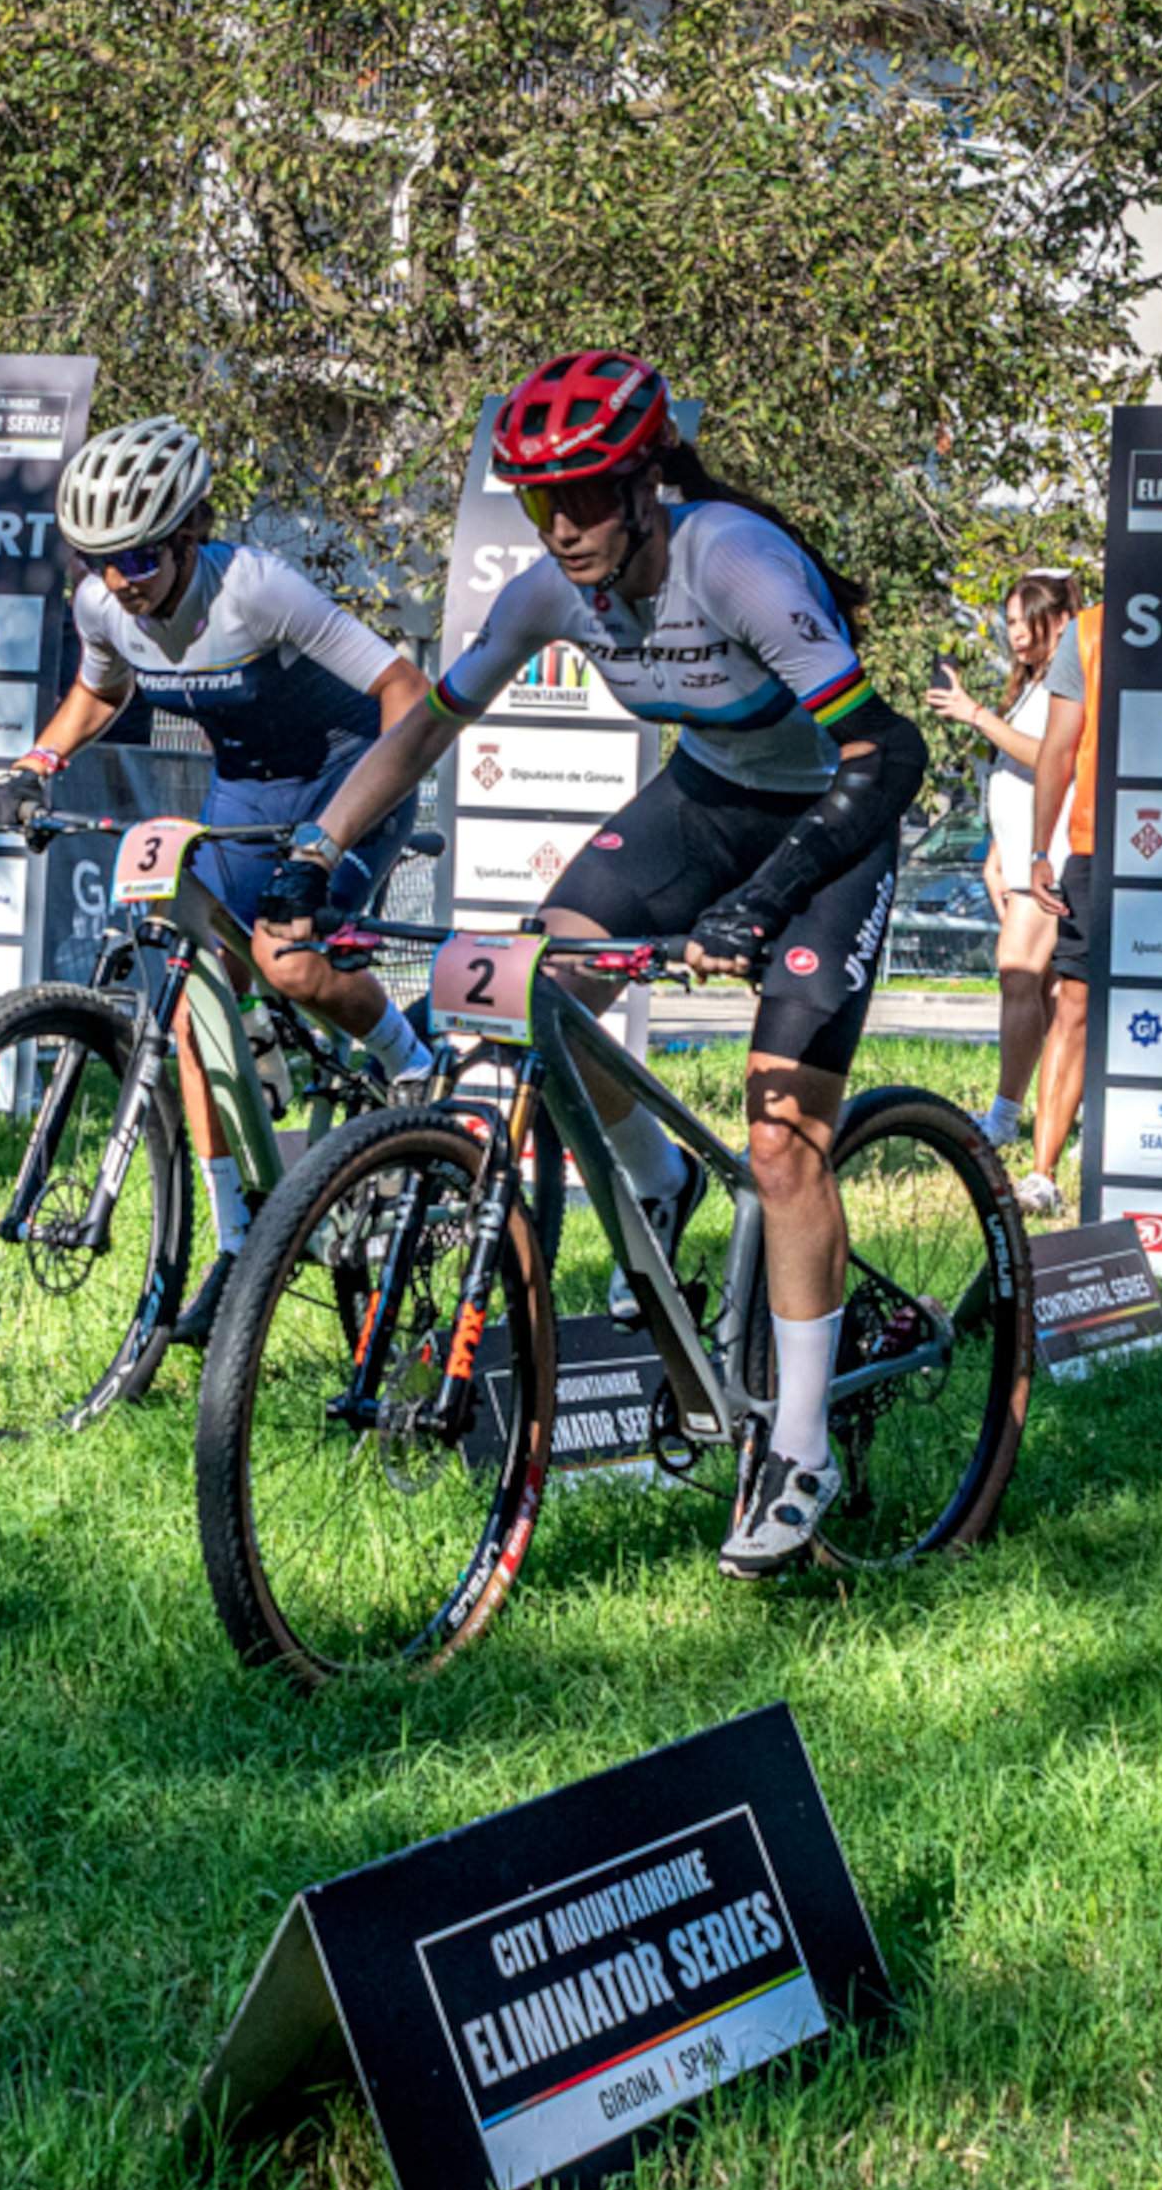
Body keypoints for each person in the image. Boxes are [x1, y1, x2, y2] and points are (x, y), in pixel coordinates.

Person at [261, 352, 924, 1579]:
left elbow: (888, 753)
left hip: (832, 826)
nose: (563, 527)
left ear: (648, 481)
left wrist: (769, 900)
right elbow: (424, 733)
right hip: (710, 803)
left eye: (588, 496)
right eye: (538, 501)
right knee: (538, 991)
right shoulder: (545, 593)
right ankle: (653, 1180)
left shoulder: (735, 561)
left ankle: (797, 1442)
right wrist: (317, 848)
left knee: (781, 1137)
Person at [0, 414, 436, 1309]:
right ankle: (231, 1246)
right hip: (247, 790)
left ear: (190, 532)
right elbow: (96, 691)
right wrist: (33, 764)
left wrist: (334, 835)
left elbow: (405, 691)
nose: (120, 579)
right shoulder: (104, 603)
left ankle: (410, 1060)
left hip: (347, 777)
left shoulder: (257, 591)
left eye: (142, 556)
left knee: (287, 961)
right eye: (96, 558)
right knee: (190, 1001)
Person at [925, 567, 1073, 1152]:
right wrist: (998, 854)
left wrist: (976, 714)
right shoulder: (1035, 684)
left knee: (1018, 971)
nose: (1013, 633)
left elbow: (1051, 760)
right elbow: (1015, 777)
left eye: (1023, 620)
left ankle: (1005, 1118)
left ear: (1058, 619)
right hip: (1021, 857)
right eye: (1008, 622)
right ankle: (1039, 1114)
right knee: (1046, 992)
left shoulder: (1069, 682)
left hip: (1053, 855)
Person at [1016, 594, 1106, 1218]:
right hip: (1098, 840)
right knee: (1072, 1002)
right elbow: (1058, 747)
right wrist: (1038, 850)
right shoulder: (1089, 631)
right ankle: (1041, 1173)